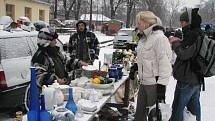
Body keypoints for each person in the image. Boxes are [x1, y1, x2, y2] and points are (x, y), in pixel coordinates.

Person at [134, 11, 172, 121]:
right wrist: (136, 66)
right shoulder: (143, 38)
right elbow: (145, 58)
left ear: (146, 22)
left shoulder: (159, 38)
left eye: (139, 23)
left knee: (154, 116)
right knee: (139, 114)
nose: (137, 25)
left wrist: (161, 86)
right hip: (143, 82)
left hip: (154, 84)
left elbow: (165, 64)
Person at [169, 8, 204, 121]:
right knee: (195, 109)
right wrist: (181, 42)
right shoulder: (201, 35)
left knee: (178, 108)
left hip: (186, 80)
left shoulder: (192, 35)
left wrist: (175, 43)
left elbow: (184, 54)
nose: (182, 24)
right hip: (197, 79)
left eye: (183, 21)